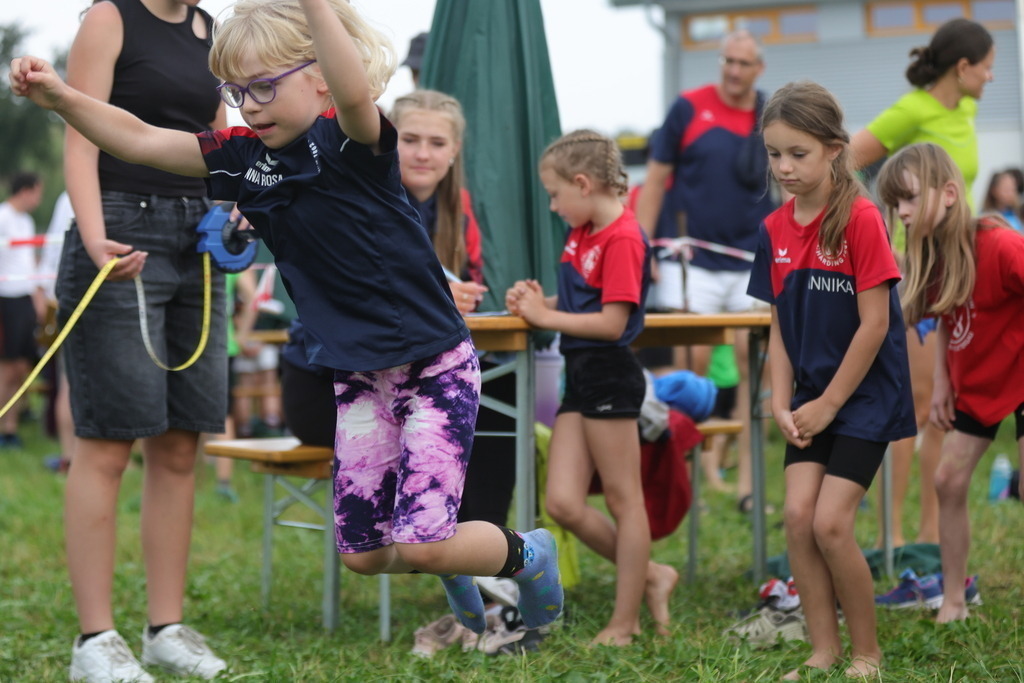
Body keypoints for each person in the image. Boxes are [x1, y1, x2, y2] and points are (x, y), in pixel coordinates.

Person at [10, 0, 563, 649]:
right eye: (238, 91)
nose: (251, 104)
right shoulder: (243, 159)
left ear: (320, 76)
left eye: (266, 85)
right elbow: (137, 138)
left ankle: (530, 555)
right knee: (363, 552)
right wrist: (60, 98)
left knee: (427, 540)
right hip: (359, 377)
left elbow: (355, 88)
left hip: (434, 365)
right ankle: (453, 560)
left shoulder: (352, 144)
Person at [29, 0, 231, 680]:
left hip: (199, 237)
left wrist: (237, 213)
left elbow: (222, 136)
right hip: (119, 228)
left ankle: (165, 628)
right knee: (109, 441)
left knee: (180, 443)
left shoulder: (211, 28)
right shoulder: (110, 18)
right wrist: (92, 236)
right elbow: (79, 132)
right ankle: (94, 640)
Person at [748, 81, 916, 679]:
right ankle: (823, 649)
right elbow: (779, 327)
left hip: (865, 396)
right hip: (808, 398)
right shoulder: (772, 231)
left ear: (835, 151)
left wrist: (830, 402)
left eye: (799, 153)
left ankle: (866, 654)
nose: (784, 167)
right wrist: (779, 396)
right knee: (797, 518)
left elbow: (874, 326)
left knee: (831, 522)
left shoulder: (862, 219)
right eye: (774, 153)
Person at [506, 129, 678, 646]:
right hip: (579, 377)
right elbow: (582, 301)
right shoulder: (584, 233)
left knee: (626, 503)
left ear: (583, 184)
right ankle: (650, 574)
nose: (554, 206)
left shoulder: (623, 236)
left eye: (555, 194)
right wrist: (539, 301)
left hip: (609, 373)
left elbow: (610, 323)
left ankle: (624, 623)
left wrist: (545, 315)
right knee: (561, 502)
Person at [851, 17, 995, 547]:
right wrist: (883, 241)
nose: (991, 77)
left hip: (963, 271)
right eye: (987, 67)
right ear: (962, 68)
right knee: (914, 403)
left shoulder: (969, 109)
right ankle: (893, 535)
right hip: (916, 275)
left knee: (944, 403)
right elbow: (847, 162)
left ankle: (931, 534)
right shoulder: (913, 110)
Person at [875, 143, 1024, 623]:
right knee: (947, 479)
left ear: (950, 194)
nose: (901, 212)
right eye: (896, 203)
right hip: (981, 384)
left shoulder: (1000, 246)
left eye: (910, 199)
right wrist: (942, 382)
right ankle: (954, 599)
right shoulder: (933, 256)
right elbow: (941, 320)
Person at [634, 29, 777, 513]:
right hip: (689, 259)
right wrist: (641, 248)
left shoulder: (770, 115)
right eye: (728, 61)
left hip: (749, 263)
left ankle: (748, 484)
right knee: (691, 367)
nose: (734, 71)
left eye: (744, 62)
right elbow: (653, 182)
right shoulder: (688, 107)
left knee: (750, 365)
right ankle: (684, 480)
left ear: (759, 68)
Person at [0, 172, 46, 449]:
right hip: (5, 299)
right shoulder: (2, 216)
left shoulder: (26, 222)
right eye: (38, 192)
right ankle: (6, 426)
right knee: (6, 367)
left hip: (24, 301)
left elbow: (28, 265)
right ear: (26, 191)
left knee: (22, 367)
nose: (39, 199)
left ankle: (12, 425)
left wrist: (37, 299)